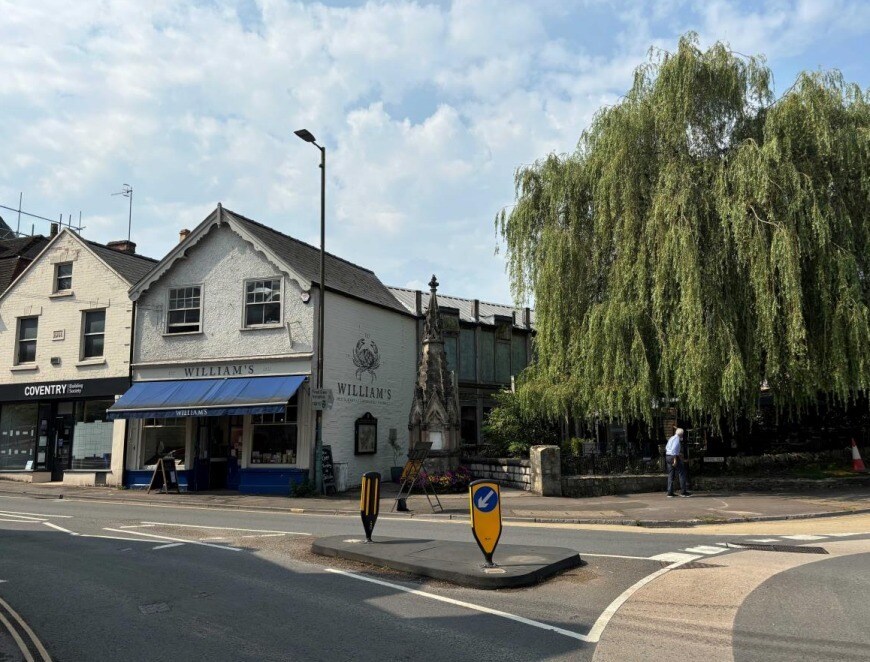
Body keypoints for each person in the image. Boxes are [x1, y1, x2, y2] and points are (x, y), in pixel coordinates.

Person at [665, 428, 691, 497]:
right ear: (681, 434)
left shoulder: (671, 438)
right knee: (682, 472)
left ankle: (670, 492)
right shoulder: (677, 440)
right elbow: (674, 451)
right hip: (673, 457)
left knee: (671, 474)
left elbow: (667, 448)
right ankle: (683, 492)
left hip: (667, 456)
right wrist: (675, 461)